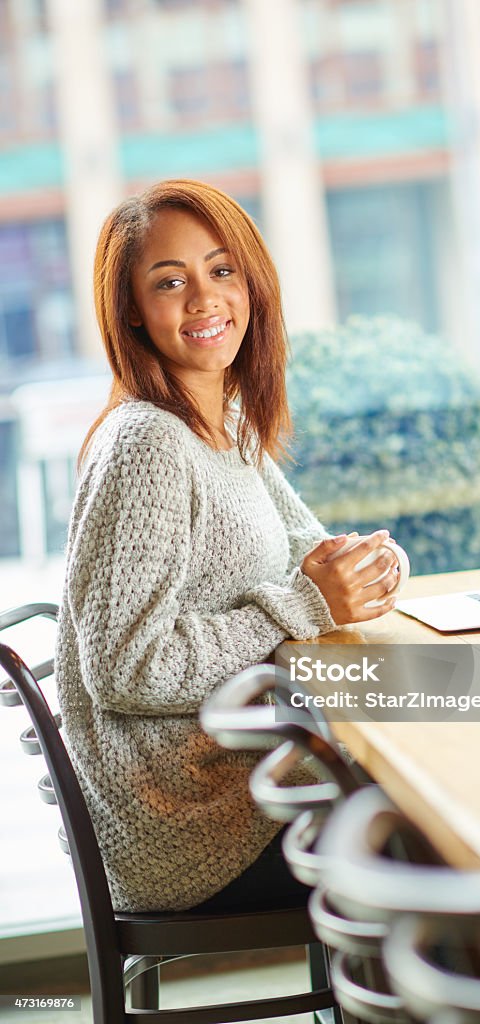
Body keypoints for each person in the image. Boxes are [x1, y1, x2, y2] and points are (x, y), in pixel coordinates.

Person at [55, 178, 401, 913]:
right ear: (133, 314)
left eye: (221, 271)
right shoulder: (148, 442)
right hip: (191, 831)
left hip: (244, 782)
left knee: (444, 781)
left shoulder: (224, 425)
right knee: (452, 837)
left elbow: (308, 549)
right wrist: (300, 605)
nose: (205, 300)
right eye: (169, 282)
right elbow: (125, 666)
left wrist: (370, 564)